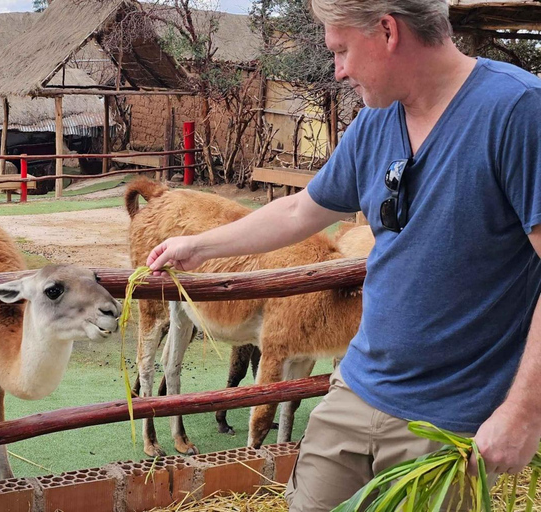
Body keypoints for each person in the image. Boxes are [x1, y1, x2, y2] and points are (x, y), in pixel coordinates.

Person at [146, 1, 541, 510]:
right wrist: (199, 246)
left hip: (446, 423)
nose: (339, 70)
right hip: (356, 390)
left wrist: (524, 412)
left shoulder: (517, 112)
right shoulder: (377, 122)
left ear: (387, 30)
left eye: (341, 50)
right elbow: (300, 211)